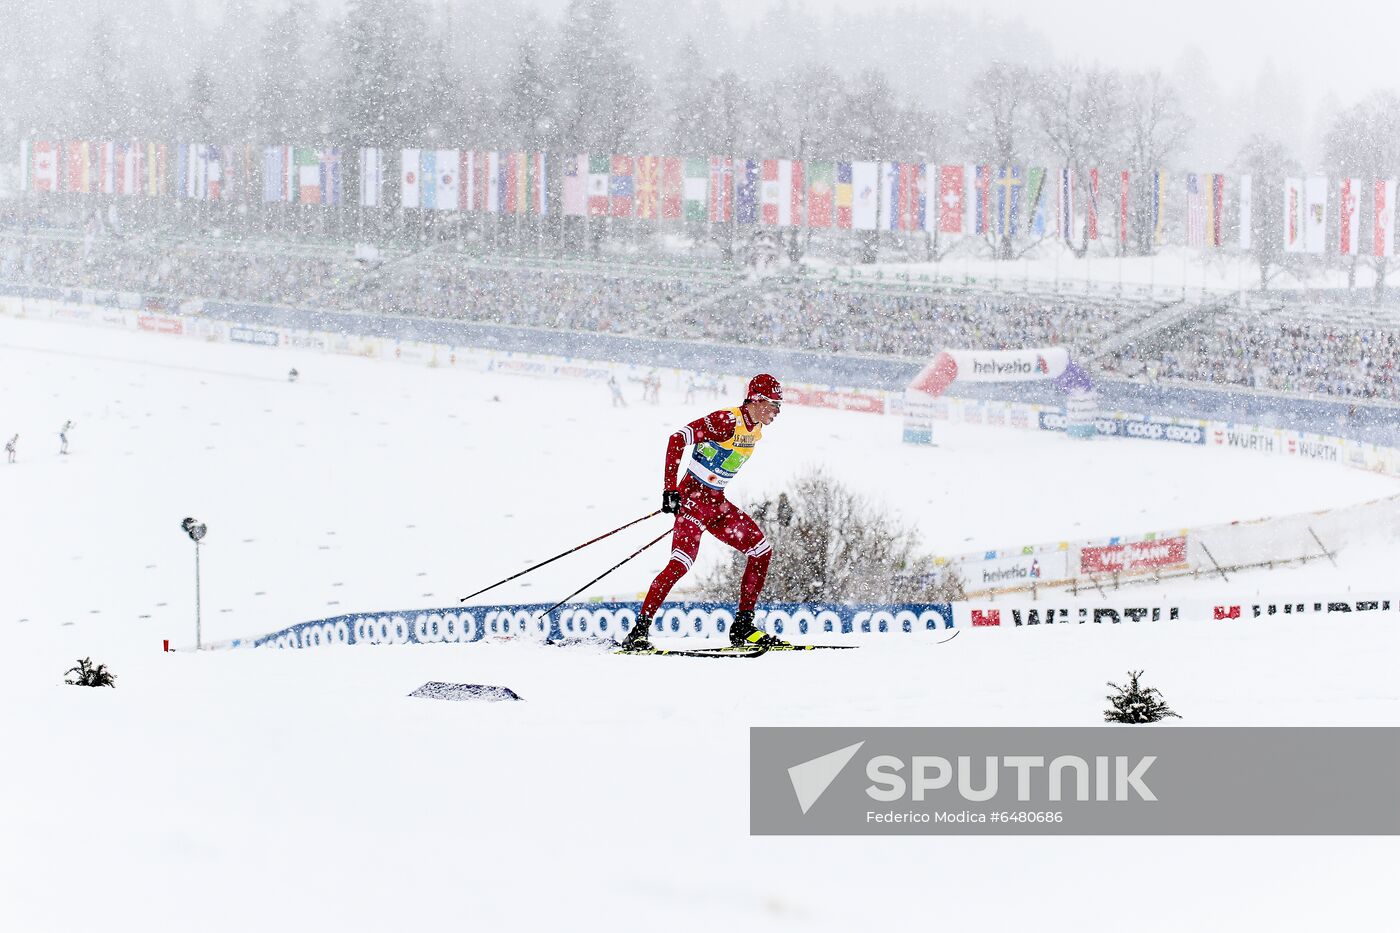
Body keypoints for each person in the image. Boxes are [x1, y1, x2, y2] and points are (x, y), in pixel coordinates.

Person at [622, 374, 788, 652]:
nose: (777, 412)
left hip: (716, 505)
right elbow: (677, 438)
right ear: (757, 400)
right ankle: (639, 632)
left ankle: (743, 626)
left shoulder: (755, 428)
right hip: (692, 503)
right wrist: (669, 490)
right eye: (773, 405)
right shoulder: (726, 421)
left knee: (761, 551)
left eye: (779, 406)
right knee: (680, 564)